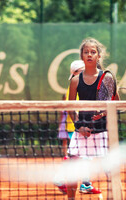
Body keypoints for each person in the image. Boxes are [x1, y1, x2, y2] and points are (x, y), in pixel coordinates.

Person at [66, 37, 119, 198]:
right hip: (81, 131)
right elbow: (71, 107)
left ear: (98, 56)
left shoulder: (107, 78)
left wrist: (103, 113)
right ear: (82, 56)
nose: (89, 55)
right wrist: (78, 127)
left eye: (93, 52)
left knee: (109, 169)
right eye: (86, 52)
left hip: (102, 131)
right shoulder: (75, 81)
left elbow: (115, 103)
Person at [55, 60, 85, 194]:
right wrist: (80, 125)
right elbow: (75, 109)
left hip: (79, 127)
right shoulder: (74, 87)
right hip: (75, 127)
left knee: (80, 156)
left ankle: (85, 183)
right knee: (76, 156)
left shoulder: (84, 85)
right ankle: (60, 178)